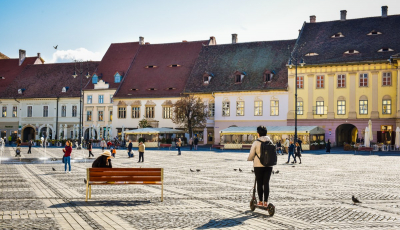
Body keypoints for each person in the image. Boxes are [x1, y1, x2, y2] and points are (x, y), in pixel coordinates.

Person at [247, 126, 273, 207]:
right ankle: (266, 202)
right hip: (269, 165)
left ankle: (260, 201)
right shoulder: (270, 141)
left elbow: (251, 154)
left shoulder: (256, 142)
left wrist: (250, 159)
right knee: (266, 183)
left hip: (258, 165)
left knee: (259, 183)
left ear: (258, 134)